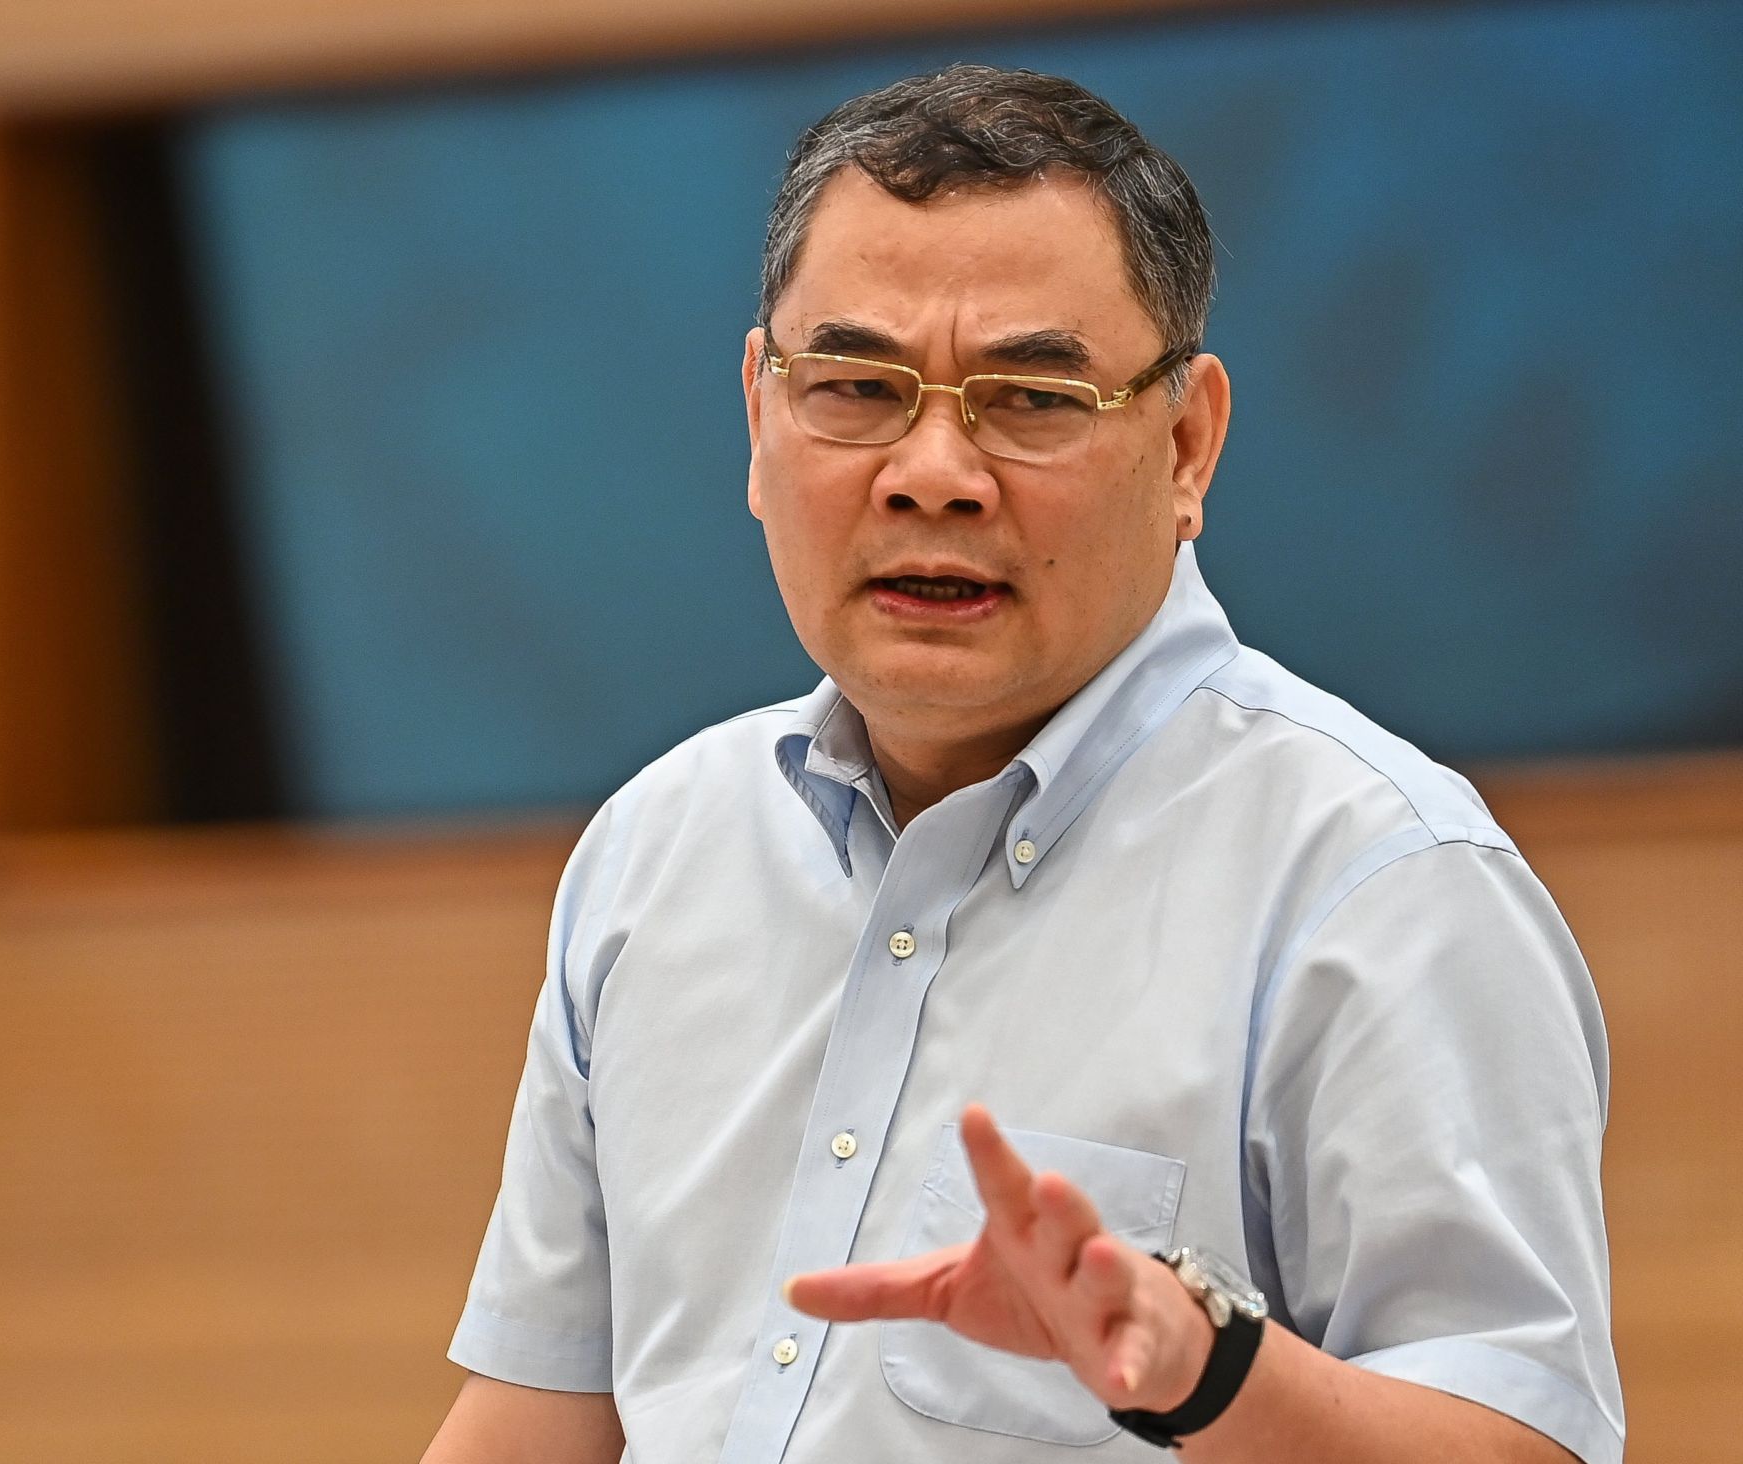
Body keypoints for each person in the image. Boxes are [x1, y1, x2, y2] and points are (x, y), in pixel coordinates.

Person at [420, 64, 1622, 1464]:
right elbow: (537, 1415)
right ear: (758, 413)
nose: (933, 471)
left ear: (1187, 444)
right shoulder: (657, 847)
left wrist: (1210, 1375)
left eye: (1033, 398)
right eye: (857, 387)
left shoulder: (1381, 883)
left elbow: (1521, 1442)